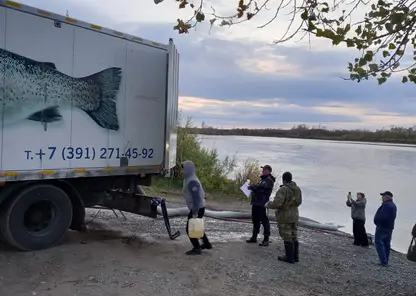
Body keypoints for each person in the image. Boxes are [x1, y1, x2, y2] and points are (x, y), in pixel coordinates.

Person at [266, 172, 302, 263]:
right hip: (295, 215)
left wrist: (268, 204)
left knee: (287, 235)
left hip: (285, 216)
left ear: (283, 179)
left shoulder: (283, 190)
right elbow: (299, 202)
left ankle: (289, 257)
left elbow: (277, 203)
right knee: (294, 235)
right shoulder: (297, 189)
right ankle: (295, 256)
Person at [182, 160, 212, 255]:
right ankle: (207, 244)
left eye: (183, 169)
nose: (182, 171)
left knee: (190, 228)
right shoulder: (189, 178)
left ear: (188, 169)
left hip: (197, 208)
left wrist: (195, 211)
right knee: (197, 226)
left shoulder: (192, 181)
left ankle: (197, 248)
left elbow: (197, 198)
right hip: (199, 207)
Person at [246, 165, 276, 246]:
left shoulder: (269, 180)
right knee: (255, 220)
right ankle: (254, 237)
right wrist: (253, 188)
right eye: (263, 169)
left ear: (269, 171)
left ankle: (266, 239)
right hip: (256, 202)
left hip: (262, 203)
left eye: (264, 170)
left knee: (264, 221)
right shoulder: (263, 179)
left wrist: (252, 187)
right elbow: (259, 188)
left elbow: (261, 188)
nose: (263, 171)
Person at [374, 191, 397, 266]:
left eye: (383, 196)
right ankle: (385, 260)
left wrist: (377, 221)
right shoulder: (393, 205)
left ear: (387, 197)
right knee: (386, 244)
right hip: (389, 227)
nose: (382, 198)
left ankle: (383, 261)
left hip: (382, 227)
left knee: (378, 242)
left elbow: (383, 216)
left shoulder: (386, 205)